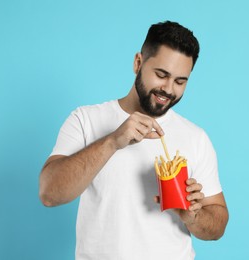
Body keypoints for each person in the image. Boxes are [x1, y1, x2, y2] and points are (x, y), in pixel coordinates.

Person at [39, 21, 229, 260]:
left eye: (180, 81)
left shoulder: (196, 137)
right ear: (138, 62)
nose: (169, 89)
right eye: (161, 75)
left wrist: (195, 216)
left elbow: (218, 225)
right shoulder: (86, 119)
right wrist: (113, 141)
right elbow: (49, 193)